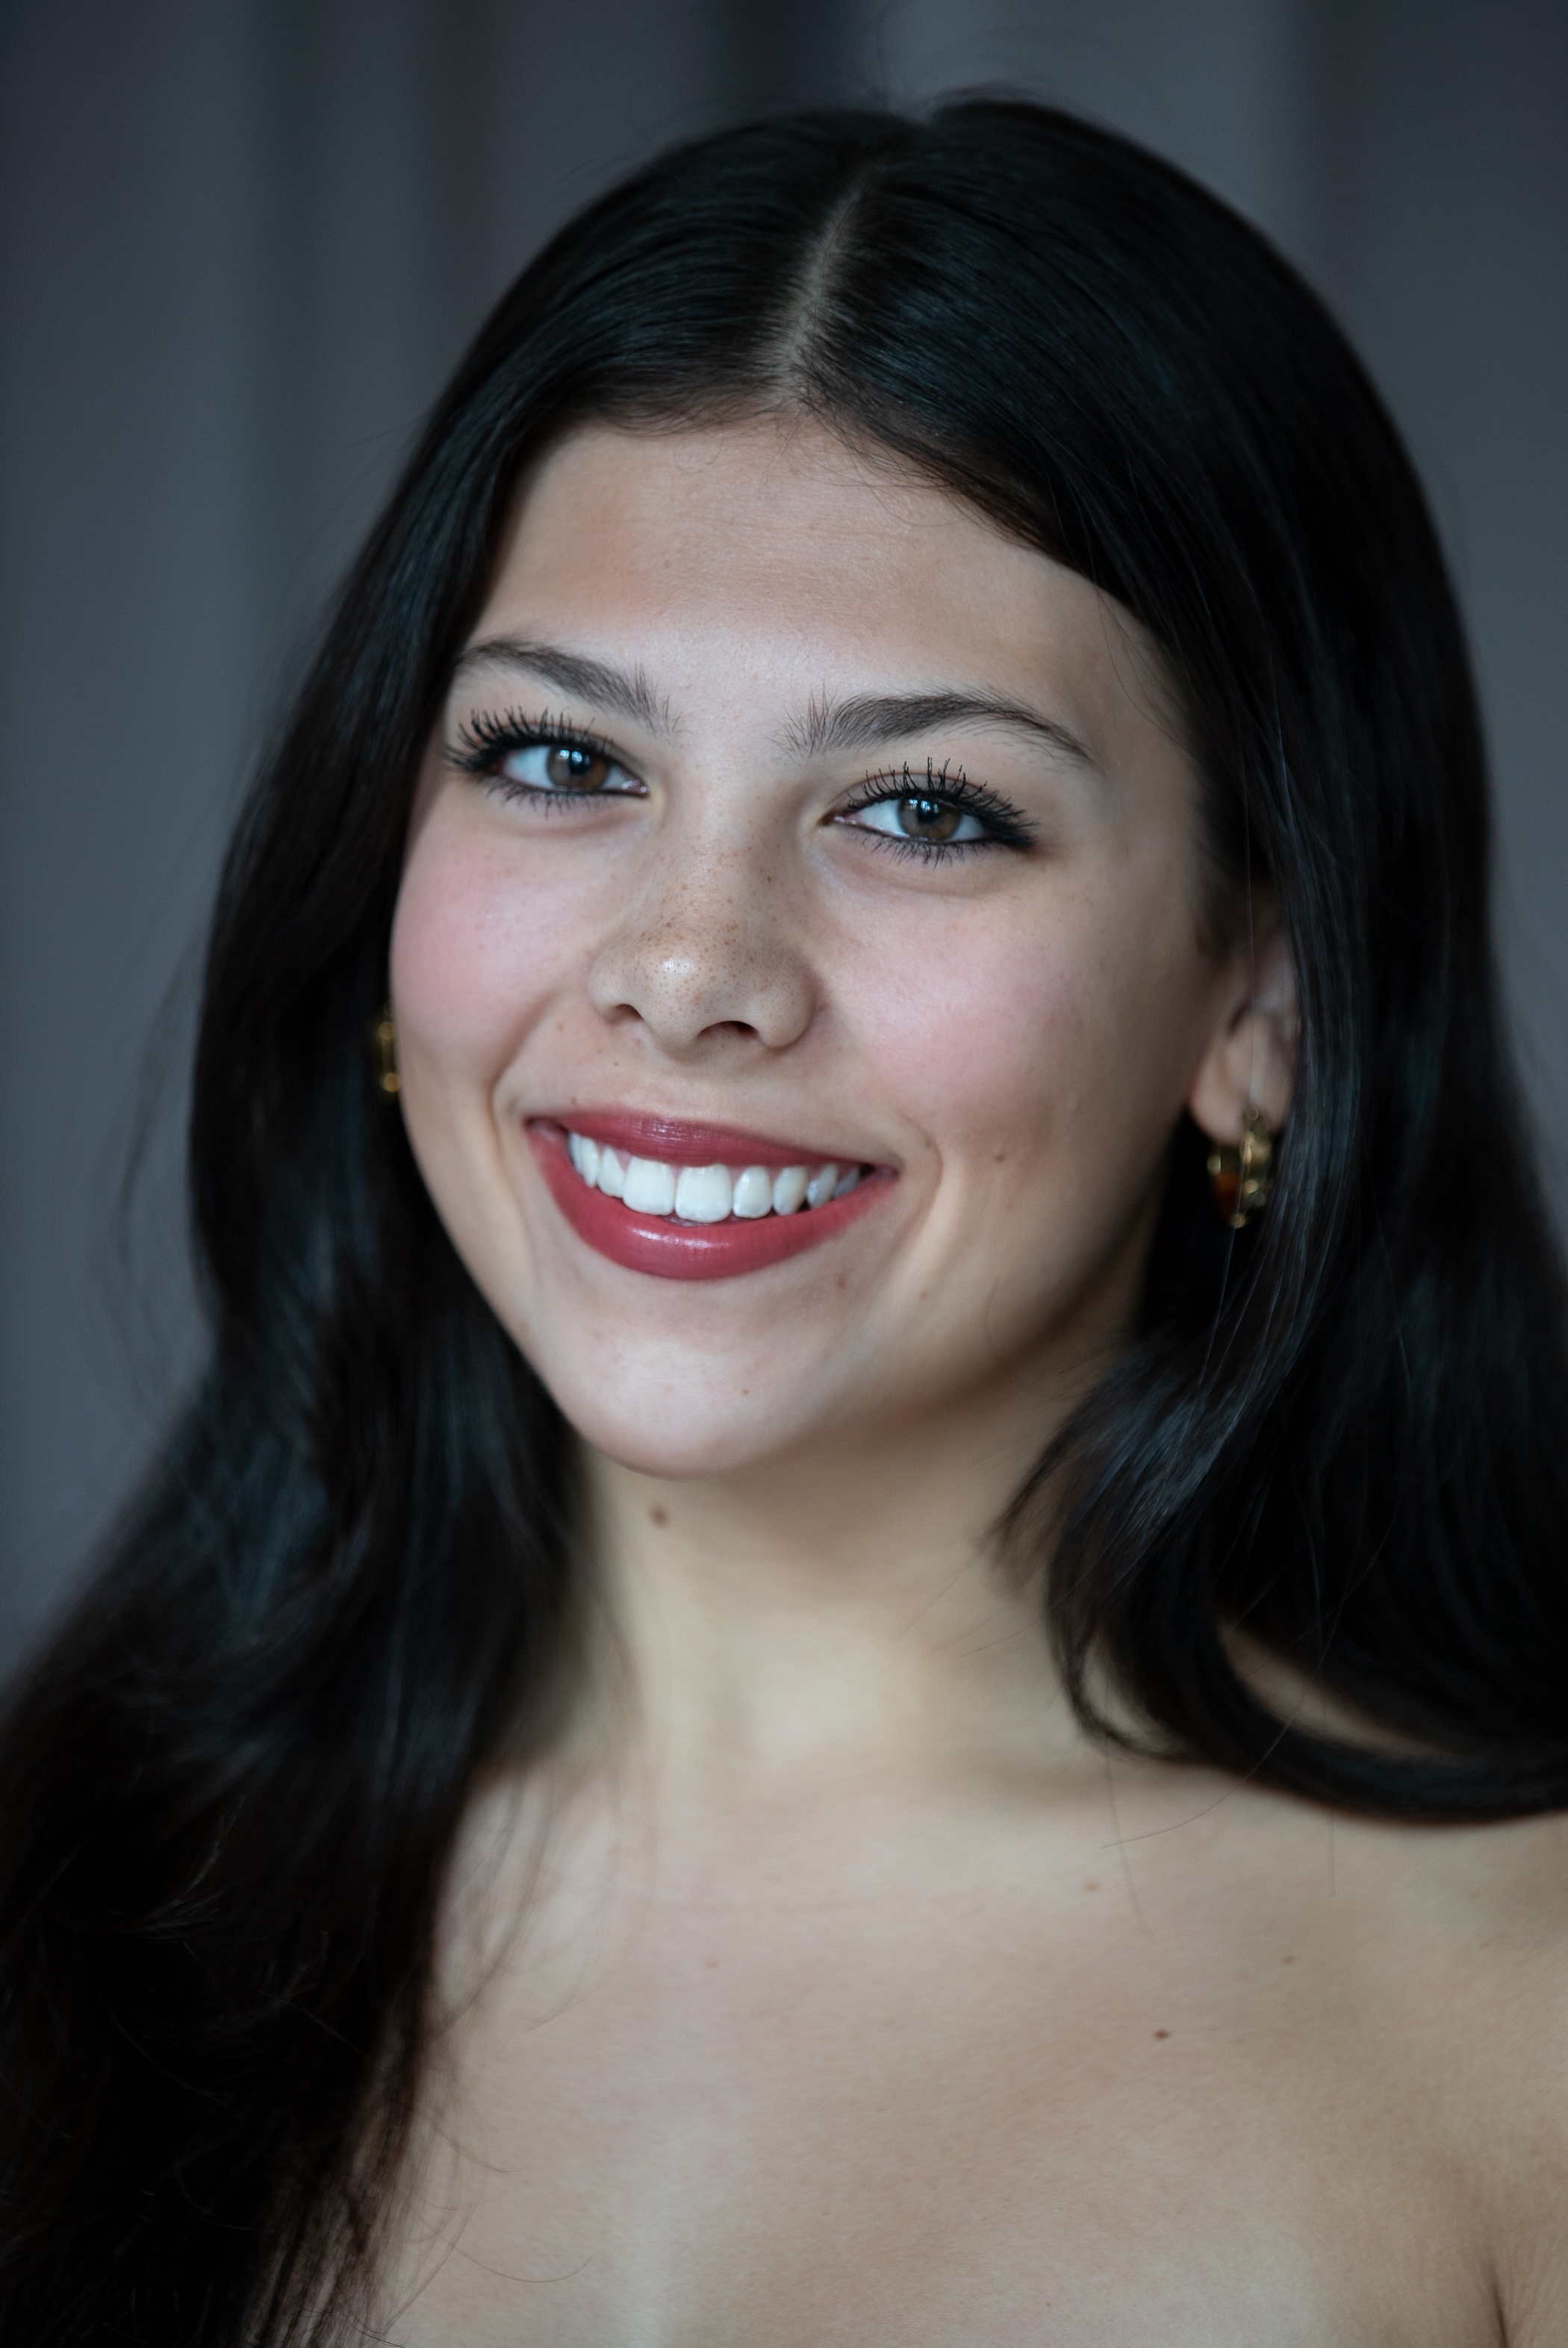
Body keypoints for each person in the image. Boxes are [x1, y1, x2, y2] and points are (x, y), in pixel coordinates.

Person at [4, 96, 1568, 2347]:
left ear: (1257, 999)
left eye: (923, 808)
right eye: (558, 762)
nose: (687, 966)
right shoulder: (59, 1925)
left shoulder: (1515, 2029)